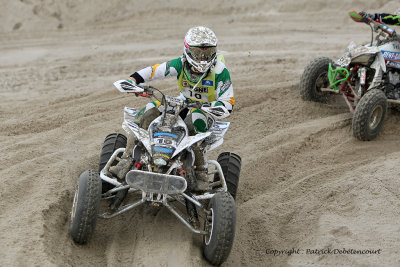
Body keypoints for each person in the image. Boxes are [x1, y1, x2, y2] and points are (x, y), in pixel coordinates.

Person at [110, 26, 234, 189]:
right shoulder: (180, 64)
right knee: (149, 110)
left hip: (204, 110)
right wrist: (133, 80)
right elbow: (155, 71)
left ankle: (200, 172)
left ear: (215, 51)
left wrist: (215, 107)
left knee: (194, 122)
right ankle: (127, 159)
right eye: (198, 53)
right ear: (188, 50)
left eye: (208, 52)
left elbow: (228, 100)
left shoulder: (220, 71)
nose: (203, 58)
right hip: (182, 102)